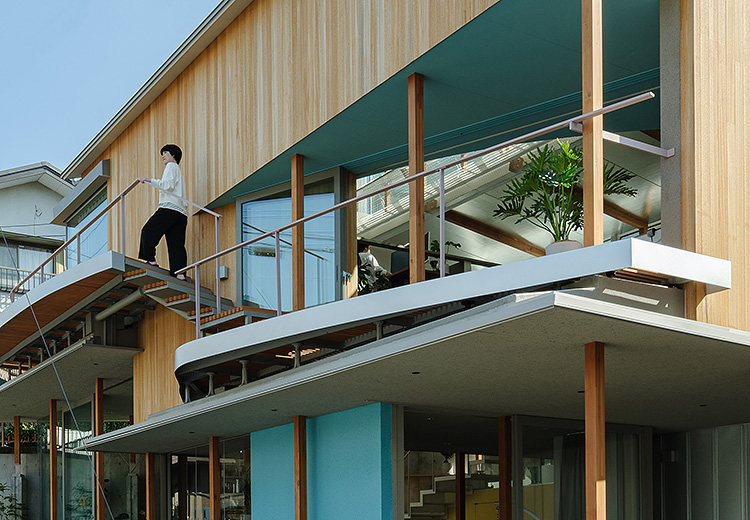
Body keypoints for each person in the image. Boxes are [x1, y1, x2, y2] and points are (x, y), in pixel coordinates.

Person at [137, 144, 189, 280]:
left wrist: (149, 180)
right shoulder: (179, 172)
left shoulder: (171, 166)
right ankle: (180, 273)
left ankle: (150, 259)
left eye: (165, 153)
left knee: (147, 231)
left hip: (169, 208)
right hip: (181, 212)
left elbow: (167, 185)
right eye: (162, 153)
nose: (163, 156)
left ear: (173, 155)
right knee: (176, 244)